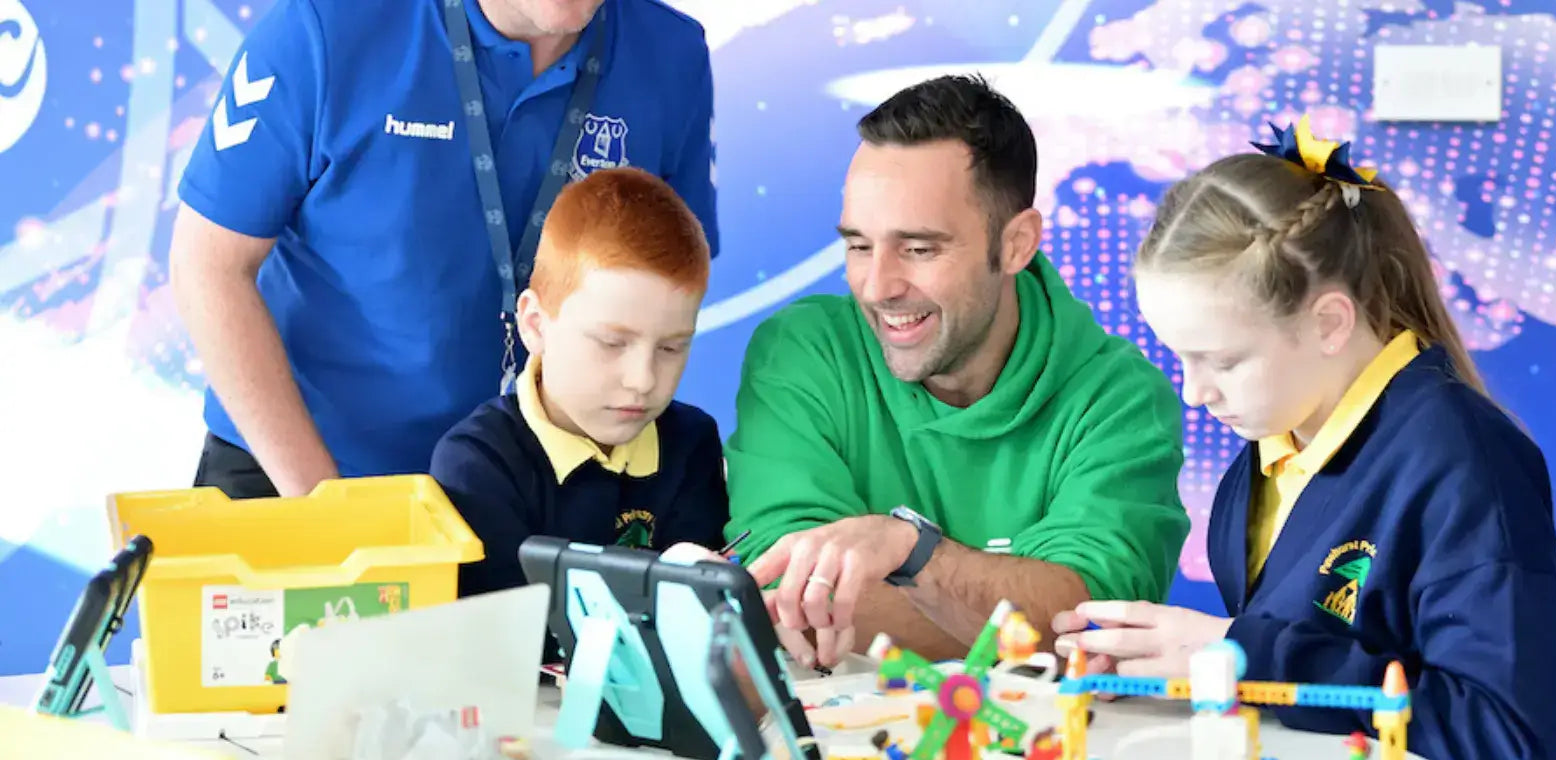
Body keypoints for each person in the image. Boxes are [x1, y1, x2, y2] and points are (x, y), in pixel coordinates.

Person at [1051, 119, 1556, 760]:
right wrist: (1166, 673)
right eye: (1182, 358)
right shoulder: (1273, 444)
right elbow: (1296, 689)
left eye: (1224, 360)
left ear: (1328, 322)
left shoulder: (1467, 462)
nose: (1194, 393)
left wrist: (1239, 655)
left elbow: (1502, 741)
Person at [723, 75, 1191, 669]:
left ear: (1017, 244)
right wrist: (1018, 613)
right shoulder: (804, 351)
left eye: (919, 249)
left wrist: (912, 553)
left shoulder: (1120, 399)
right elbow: (786, 598)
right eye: (859, 246)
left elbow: (1083, 624)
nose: (878, 286)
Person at [169, 0, 716, 499]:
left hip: (530, 490)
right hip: (296, 474)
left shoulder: (673, 53)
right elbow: (208, 265)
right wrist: (323, 504)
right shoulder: (321, 28)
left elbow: (670, 283)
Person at [430, 167, 726, 602]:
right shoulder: (477, 465)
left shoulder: (692, 444)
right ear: (534, 324)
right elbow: (508, 641)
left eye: (671, 348)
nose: (643, 380)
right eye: (611, 343)